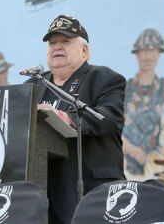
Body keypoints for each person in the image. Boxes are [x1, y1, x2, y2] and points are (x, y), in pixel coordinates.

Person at [26, 15, 126, 224]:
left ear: (84, 50)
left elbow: (110, 118)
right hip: (41, 192)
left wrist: (67, 118)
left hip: (90, 190)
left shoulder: (104, 79)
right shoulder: (34, 85)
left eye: (66, 41)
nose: (57, 47)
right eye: (52, 43)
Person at [122, 28, 164, 181]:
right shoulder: (123, 90)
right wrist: (135, 152)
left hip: (160, 171)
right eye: (143, 52)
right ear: (137, 55)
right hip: (126, 171)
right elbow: (112, 130)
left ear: (159, 54)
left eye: (152, 51)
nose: (147, 57)